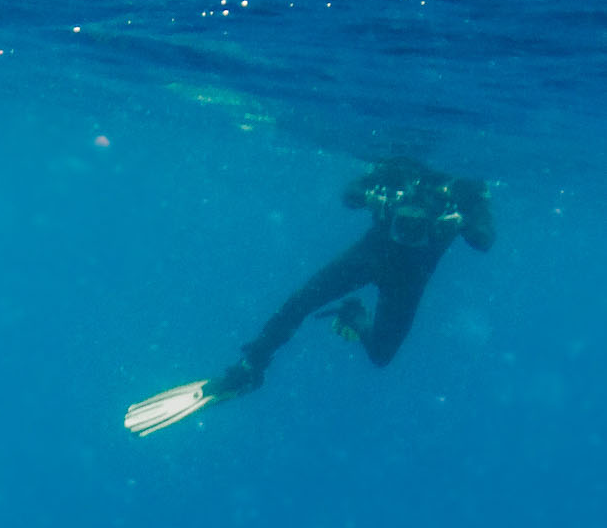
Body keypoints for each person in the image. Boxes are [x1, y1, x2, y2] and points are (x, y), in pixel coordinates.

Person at [126, 159, 494, 437]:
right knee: (299, 303)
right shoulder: (400, 170)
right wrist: (372, 196)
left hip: (409, 279)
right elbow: (349, 194)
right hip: (370, 257)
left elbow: (485, 239)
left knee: (381, 354)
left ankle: (353, 316)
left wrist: (461, 222)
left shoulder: (464, 191)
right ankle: (249, 369)